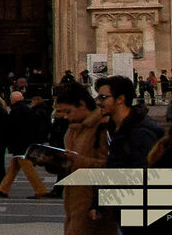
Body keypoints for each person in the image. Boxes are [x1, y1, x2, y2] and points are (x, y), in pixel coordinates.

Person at [51, 82, 113, 235]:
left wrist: (79, 161)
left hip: (93, 203)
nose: (65, 116)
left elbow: (111, 167)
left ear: (82, 105)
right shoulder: (73, 130)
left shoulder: (102, 127)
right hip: (74, 202)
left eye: (68, 111)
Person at [99, 75, 163, 172]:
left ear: (120, 99)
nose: (98, 102)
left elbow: (145, 175)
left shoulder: (141, 133)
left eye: (103, 97)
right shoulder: (115, 127)